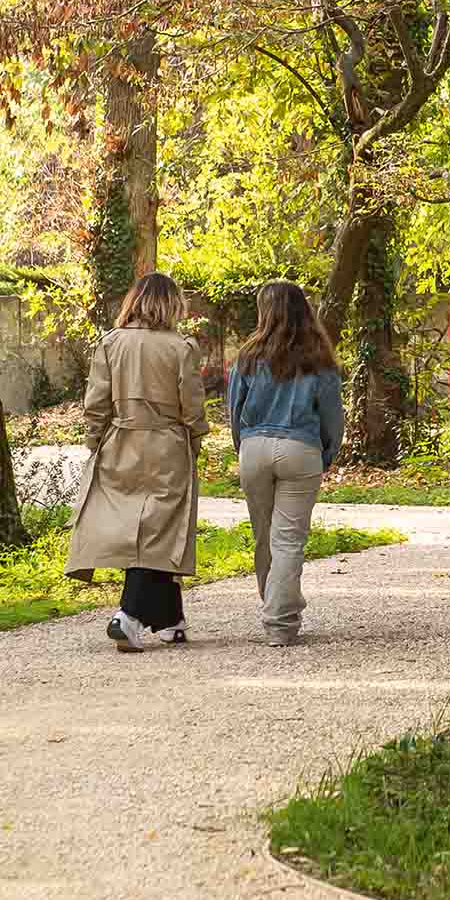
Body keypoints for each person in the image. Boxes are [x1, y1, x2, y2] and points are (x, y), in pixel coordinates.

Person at [67, 273, 209, 651]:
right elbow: (191, 405)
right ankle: (128, 616)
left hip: (120, 443)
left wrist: (95, 441)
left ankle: (169, 619)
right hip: (166, 444)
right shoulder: (181, 348)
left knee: (137, 528)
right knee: (157, 531)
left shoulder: (110, 344)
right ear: (170, 305)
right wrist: (196, 439)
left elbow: (96, 402)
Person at [225, 280, 344, 648]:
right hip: (300, 449)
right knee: (289, 539)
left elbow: (234, 410)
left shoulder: (248, 356)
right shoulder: (319, 358)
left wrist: (242, 446)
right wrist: (327, 453)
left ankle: (275, 604)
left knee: (265, 536)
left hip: (255, 447)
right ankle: (280, 620)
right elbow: (332, 417)